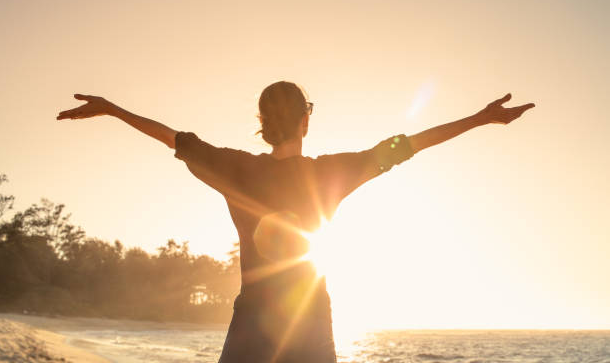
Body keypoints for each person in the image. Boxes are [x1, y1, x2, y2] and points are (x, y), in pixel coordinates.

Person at [56, 81, 535, 362]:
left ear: (262, 123)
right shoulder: (331, 172)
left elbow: (172, 138)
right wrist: (479, 119)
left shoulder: (235, 168)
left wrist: (112, 109)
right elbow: (409, 144)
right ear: (306, 121)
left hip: (252, 323)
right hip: (309, 321)